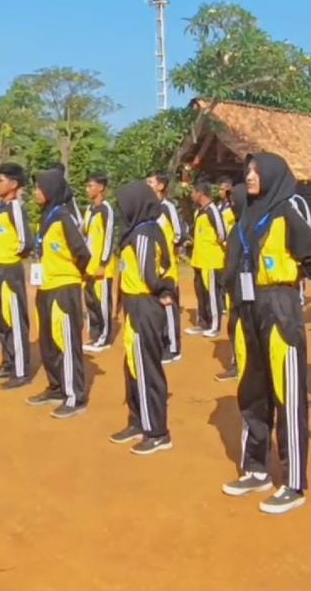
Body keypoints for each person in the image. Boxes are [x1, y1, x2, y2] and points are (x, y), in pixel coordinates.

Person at [220, 153, 311, 515]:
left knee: (287, 393)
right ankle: (255, 469)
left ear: (270, 174)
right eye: (247, 171)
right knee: (251, 392)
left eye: (255, 172)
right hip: (246, 309)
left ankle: (294, 481)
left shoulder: (285, 212)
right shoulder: (246, 215)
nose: (249, 177)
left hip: (278, 308)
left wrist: (291, 279)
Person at [109, 181, 177, 454]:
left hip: (144, 306)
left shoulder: (145, 234)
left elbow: (151, 272)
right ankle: (138, 420)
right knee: (133, 366)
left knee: (146, 368)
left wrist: (162, 290)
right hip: (134, 305)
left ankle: (157, 432)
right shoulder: (136, 231)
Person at [26, 169, 92, 418]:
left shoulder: (63, 217)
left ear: (51, 190)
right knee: (48, 342)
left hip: (64, 288)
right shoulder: (45, 217)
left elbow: (82, 252)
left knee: (66, 341)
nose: (35, 192)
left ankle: (75, 397)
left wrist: (74, 276)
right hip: (46, 286)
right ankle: (56, 387)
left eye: (39, 188)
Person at [0, 163, 34, 388]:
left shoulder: (14, 208)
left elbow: (26, 242)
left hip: (10, 270)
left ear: (13, 184)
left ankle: (21, 370)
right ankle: (7, 363)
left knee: (15, 319)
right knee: (1, 319)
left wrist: (10, 257)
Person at [147, 172, 184, 363]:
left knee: (169, 305)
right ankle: (162, 342)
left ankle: (174, 347)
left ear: (161, 186)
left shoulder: (167, 208)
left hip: (168, 267)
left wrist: (169, 257)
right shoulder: (149, 209)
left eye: (150, 182)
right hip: (155, 267)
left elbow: (178, 235)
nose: (147, 185)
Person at [214, 183, 247, 383]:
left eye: (235, 201)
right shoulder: (237, 227)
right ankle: (237, 363)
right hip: (234, 287)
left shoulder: (252, 227)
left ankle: (244, 366)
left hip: (248, 288)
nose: (232, 205)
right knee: (234, 326)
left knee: (244, 328)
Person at [187, 181, 228, 338]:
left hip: (211, 262)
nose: (191, 195)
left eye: (193, 192)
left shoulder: (213, 211)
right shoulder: (199, 212)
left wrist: (213, 249)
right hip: (198, 261)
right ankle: (203, 323)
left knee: (212, 294)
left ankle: (215, 325)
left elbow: (222, 234)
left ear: (201, 194)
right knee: (201, 293)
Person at [82, 174, 117, 353]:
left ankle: (104, 338)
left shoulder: (106, 210)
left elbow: (109, 238)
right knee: (91, 303)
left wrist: (103, 263)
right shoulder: (89, 209)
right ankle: (94, 335)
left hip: (102, 265)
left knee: (102, 303)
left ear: (101, 188)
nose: (87, 189)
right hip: (88, 265)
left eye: (91, 185)